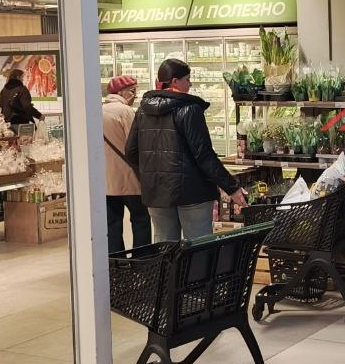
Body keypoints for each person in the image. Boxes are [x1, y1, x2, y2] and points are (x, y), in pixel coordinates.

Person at [126, 58, 246, 242]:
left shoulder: (142, 111)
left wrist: (150, 177)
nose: (190, 84)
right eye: (187, 80)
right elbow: (204, 155)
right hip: (192, 191)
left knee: (165, 246)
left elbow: (130, 152)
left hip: (157, 192)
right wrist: (232, 187)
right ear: (175, 81)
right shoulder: (190, 109)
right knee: (198, 245)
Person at [102, 76, 150, 254]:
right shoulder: (125, 112)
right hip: (129, 178)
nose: (135, 95)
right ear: (121, 92)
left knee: (112, 223)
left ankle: (116, 262)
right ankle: (141, 260)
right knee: (141, 220)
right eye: (132, 91)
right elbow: (136, 144)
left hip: (106, 181)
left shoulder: (97, 110)